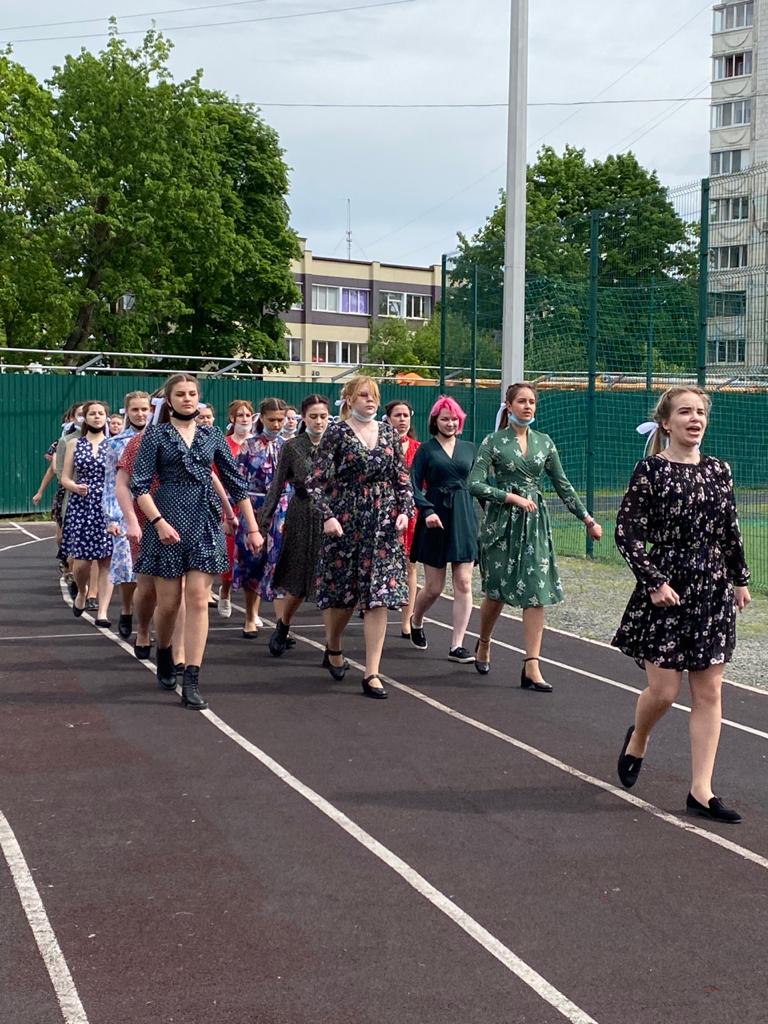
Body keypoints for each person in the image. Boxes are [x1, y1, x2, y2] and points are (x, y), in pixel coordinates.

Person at [613, 386, 751, 824]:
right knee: (665, 692)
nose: (695, 419)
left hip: (712, 588)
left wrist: (740, 579)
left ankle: (701, 790)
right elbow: (627, 533)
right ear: (666, 422)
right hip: (668, 586)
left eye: (700, 413)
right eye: (685, 412)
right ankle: (638, 738)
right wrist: (654, 582)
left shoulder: (719, 470)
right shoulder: (650, 470)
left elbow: (729, 529)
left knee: (709, 691)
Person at [130, 374, 263, 710]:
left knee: (199, 600)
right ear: (169, 400)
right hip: (167, 521)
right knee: (169, 603)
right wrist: (158, 522)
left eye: (192, 393)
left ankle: (192, 678)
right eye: (180, 394)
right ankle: (164, 651)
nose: (187, 398)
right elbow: (140, 486)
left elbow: (235, 485)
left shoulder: (211, 434)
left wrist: (252, 528)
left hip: (204, 521)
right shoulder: (156, 435)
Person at [468, 382, 601, 686]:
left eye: (532, 402)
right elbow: (474, 483)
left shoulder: (544, 442)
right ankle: (484, 641)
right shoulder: (493, 441)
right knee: (496, 593)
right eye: (522, 401)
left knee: (536, 594)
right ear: (509, 405)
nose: (528, 406)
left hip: (534, 525)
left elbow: (562, 484)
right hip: (502, 524)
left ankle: (532, 664)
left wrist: (587, 519)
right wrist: (509, 497)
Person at [307, 375, 414, 699]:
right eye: (364, 395)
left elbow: (401, 477)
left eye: (374, 396)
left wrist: (405, 510)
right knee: (343, 596)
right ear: (350, 399)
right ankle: (334, 644)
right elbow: (315, 482)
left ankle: (372, 672)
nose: (370, 401)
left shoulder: (389, 433)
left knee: (379, 596)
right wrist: (328, 516)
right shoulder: (336, 433)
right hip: (346, 520)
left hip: (382, 524)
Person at [408, 396, 478, 663]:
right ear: (435, 421)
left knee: (464, 581)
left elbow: (480, 484)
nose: (450, 423)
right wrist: (427, 510)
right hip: (434, 515)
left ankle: (457, 645)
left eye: (454, 419)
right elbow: (413, 485)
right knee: (434, 587)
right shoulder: (426, 450)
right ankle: (416, 619)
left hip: (463, 516)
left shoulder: (470, 449)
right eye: (445, 419)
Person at [263, 395, 331, 656]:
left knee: (331, 582)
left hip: (333, 516)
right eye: (313, 416)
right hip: (302, 513)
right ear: (304, 417)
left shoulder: (337, 444)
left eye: (323, 416)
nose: (319, 421)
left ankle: (333, 647)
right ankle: (283, 624)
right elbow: (277, 485)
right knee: (299, 581)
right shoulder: (292, 447)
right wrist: (263, 522)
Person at [233, 397, 289, 638]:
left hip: (283, 509)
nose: (276, 424)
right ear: (262, 418)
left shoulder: (289, 446)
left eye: (280, 420)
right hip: (254, 508)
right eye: (272, 419)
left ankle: (282, 624)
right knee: (253, 562)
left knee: (281, 565)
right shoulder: (249, 446)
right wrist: (234, 516)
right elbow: (237, 483)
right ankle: (250, 617)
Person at [102, 391, 151, 639]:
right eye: (135, 409)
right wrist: (112, 517)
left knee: (153, 572)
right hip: (126, 511)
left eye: (144, 409)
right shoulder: (116, 443)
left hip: (157, 510)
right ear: (127, 412)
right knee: (128, 566)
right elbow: (112, 482)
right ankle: (126, 609)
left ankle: (146, 624)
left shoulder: (161, 437)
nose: (140, 414)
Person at [60, 401, 114, 625]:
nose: (97, 417)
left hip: (107, 506)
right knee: (81, 563)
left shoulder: (113, 444)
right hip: (81, 506)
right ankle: (82, 591)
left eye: (101, 413)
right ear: (85, 418)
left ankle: (103, 611)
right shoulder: (74, 444)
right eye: (92, 413)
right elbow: (65, 477)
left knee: (106, 560)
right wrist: (74, 487)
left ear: (106, 418)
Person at [385, 399, 421, 639]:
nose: (402, 420)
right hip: (384, 510)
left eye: (405, 415)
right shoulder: (379, 445)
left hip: (411, 513)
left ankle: (407, 620)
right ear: (388, 419)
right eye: (397, 415)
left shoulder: (419, 449)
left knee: (410, 564)